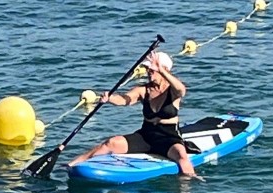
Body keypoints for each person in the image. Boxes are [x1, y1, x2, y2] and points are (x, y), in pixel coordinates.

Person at [67, 51, 196, 176]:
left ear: (165, 70)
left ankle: (188, 185)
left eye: (152, 69)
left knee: (181, 155)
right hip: (146, 135)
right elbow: (125, 100)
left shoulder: (173, 91)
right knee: (111, 143)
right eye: (148, 69)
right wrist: (110, 99)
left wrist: (161, 69)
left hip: (168, 137)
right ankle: (72, 164)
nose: (149, 72)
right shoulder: (143, 90)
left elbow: (181, 90)